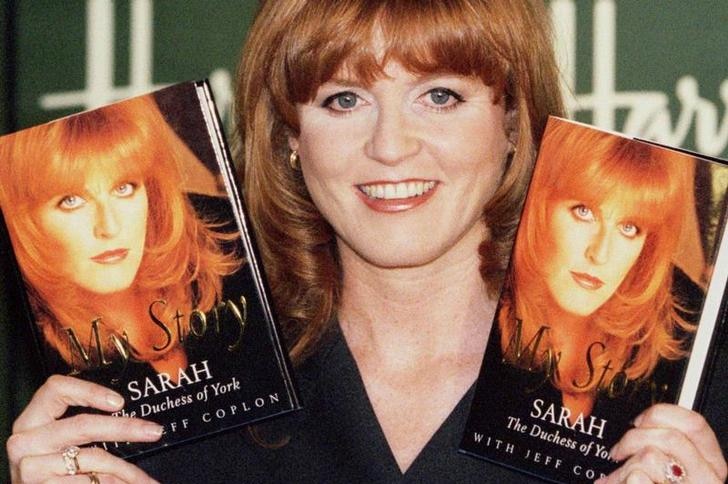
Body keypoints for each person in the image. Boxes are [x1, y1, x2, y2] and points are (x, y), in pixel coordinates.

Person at [7, 1, 726, 483]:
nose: (390, 147)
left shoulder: (674, 399)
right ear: (290, 137)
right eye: (343, 100)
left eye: (440, 95)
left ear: (513, 123)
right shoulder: (169, 394)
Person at [0, 94, 240, 380]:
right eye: (71, 200)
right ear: (23, 220)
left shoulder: (231, 238)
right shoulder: (17, 362)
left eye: (124, 188)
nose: (109, 227)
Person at [497, 118, 697, 419]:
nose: (601, 254)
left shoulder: (683, 336)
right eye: (584, 211)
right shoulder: (474, 318)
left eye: (629, 228)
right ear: (538, 204)